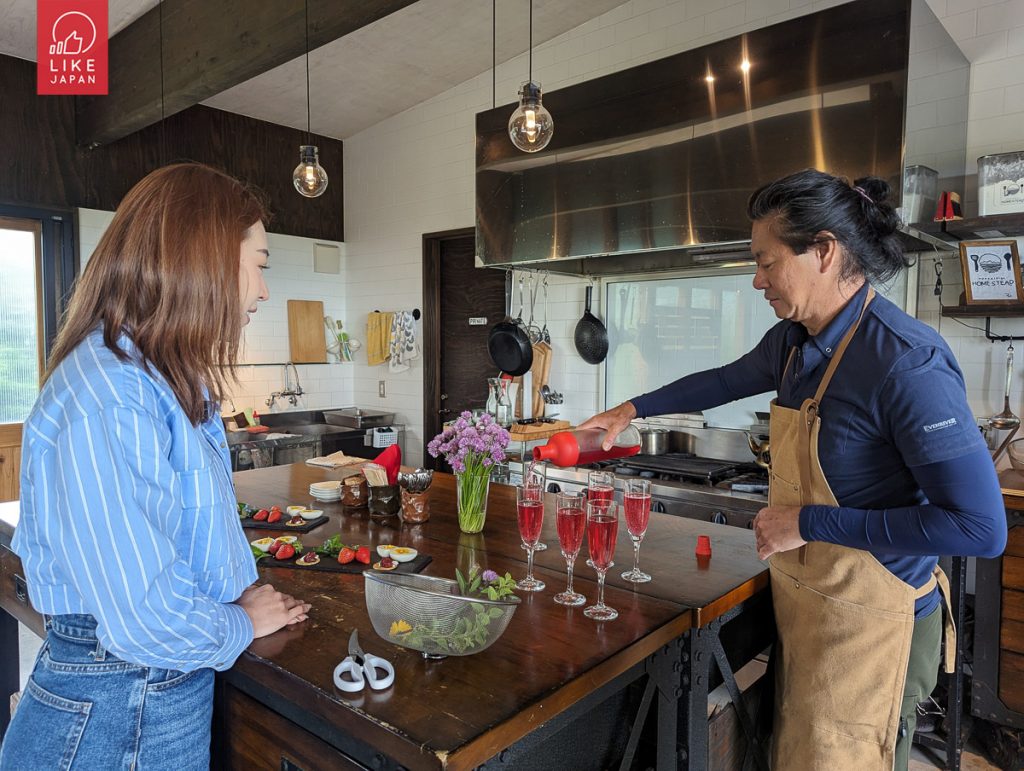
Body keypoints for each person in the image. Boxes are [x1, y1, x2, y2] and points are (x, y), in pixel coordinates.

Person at [581, 169, 1007, 770]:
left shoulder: (907, 363)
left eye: (766, 262)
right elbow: (725, 380)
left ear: (825, 251)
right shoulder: (794, 342)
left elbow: (978, 528)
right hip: (812, 608)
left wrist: (809, 521)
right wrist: (629, 409)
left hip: (877, 625)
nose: (757, 281)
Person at [0, 163, 311, 769]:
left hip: (141, 698)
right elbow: (145, 620)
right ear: (205, 261)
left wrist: (234, 590)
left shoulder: (158, 379)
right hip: (123, 705)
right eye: (261, 264)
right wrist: (239, 623)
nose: (264, 291)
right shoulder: (110, 395)